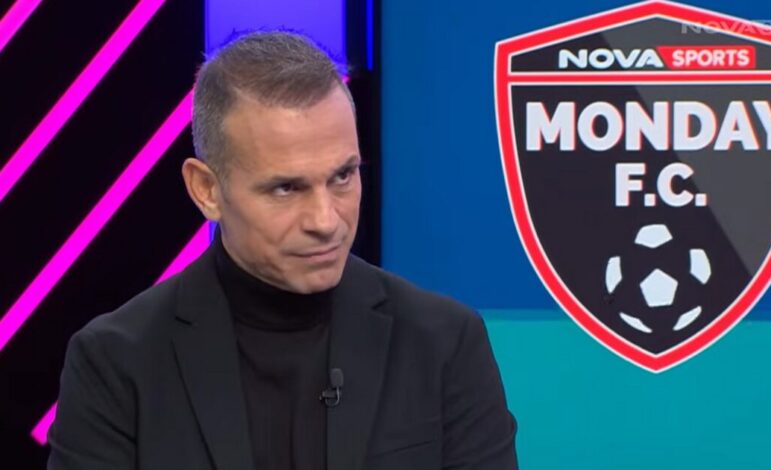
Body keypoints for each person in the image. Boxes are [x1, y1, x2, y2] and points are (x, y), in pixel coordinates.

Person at [47, 31, 518, 470]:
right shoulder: (116, 363)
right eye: (286, 188)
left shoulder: (444, 343)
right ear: (206, 189)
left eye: (343, 176)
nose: (325, 221)